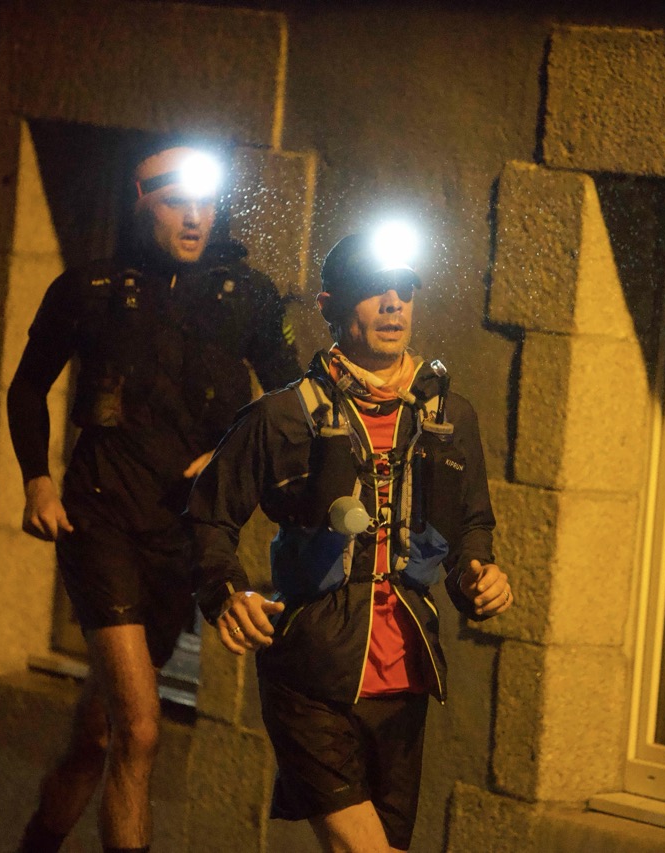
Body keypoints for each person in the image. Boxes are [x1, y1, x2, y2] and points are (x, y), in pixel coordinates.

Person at [8, 142, 301, 853]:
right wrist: (37, 480)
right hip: (101, 519)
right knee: (140, 728)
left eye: (205, 203)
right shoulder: (91, 288)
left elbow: (292, 402)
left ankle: (34, 844)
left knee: (98, 733)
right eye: (176, 203)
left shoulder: (246, 293)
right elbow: (27, 387)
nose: (195, 217)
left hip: (184, 536)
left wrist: (233, 453)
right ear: (142, 204)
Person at [188, 226, 514, 853]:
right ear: (330, 305)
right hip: (311, 674)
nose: (393, 303)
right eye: (372, 289)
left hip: (406, 678)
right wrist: (227, 593)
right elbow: (207, 517)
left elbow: (472, 525)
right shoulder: (282, 416)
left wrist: (479, 575)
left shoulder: (451, 417)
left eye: (404, 289)